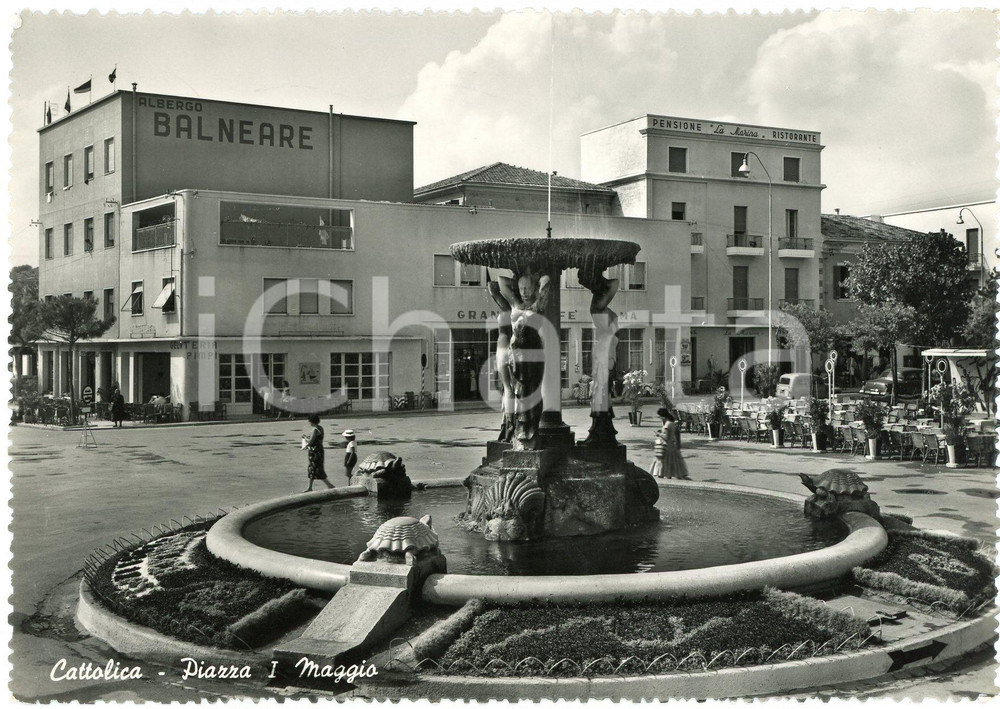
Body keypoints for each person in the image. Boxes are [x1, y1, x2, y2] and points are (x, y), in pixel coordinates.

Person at [649, 409, 690, 480]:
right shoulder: (672, 423)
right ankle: (669, 476)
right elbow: (676, 433)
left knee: (662, 462)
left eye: (660, 416)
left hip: (666, 446)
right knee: (670, 463)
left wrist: (659, 434)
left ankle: (661, 477)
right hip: (672, 446)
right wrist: (678, 443)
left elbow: (666, 437)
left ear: (663, 416)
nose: (659, 418)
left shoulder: (667, 424)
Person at [302, 414, 333, 492]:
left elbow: (311, 441)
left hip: (315, 451)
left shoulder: (315, 430)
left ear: (312, 421)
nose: (309, 423)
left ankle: (330, 485)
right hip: (319, 450)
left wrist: (305, 438)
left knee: (315, 468)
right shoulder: (320, 428)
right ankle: (310, 487)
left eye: (309, 421)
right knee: (314, 468)